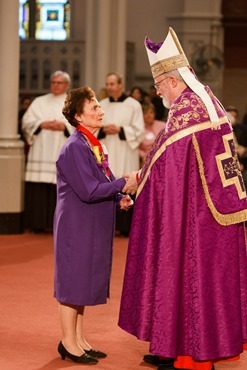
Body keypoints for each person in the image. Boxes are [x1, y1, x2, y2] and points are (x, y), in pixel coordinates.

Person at [119, 27, 247, 370]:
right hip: (218, 210)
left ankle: (189, 353)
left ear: (174, 81)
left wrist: (137, 180)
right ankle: (173, 345)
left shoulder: (187, 111)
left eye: (160, 86)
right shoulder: (207, 101)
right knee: (201, 279)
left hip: (196, 213)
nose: (159, 92)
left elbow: (167, 165)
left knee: (189, 273)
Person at [53, 86, 133, 364]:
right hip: (76, 224)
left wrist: (119, 197)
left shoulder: (91, 144)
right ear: (79, 116)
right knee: (72, 282)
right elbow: (88, 190)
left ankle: (78, 338)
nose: (101, 111)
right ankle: (67, 341)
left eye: (99, 106)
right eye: (94, 108)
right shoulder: (75, 147)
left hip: (89, 221)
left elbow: (102, 182)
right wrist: (124, 183)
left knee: (82, 280)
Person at [22, 70, 73, 233]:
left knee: (60, 187)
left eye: (59, 83)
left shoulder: (73, 102)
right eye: (53, 82)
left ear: (67, 85)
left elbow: (81, 124)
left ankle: (59, 225)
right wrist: (40, 124)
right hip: (41, 150)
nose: (55, 85)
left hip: (61, 150)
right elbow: (26, 121)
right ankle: (37, 223)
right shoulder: (39, 101)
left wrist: (64, 126)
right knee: (39, 188)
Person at [97, 72, 145, 236]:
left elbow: (139, 130)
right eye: (107, 84)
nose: (109, 87)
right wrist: (103, 130)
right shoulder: (101, 104)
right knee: (106, 182)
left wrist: (121, 130)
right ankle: (106, 225)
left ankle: (125, 227)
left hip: (126, 149)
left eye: (112, 84)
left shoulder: (133, 105)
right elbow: (93, 128)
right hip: (107, 148)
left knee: (125, 183)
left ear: (120, 84)